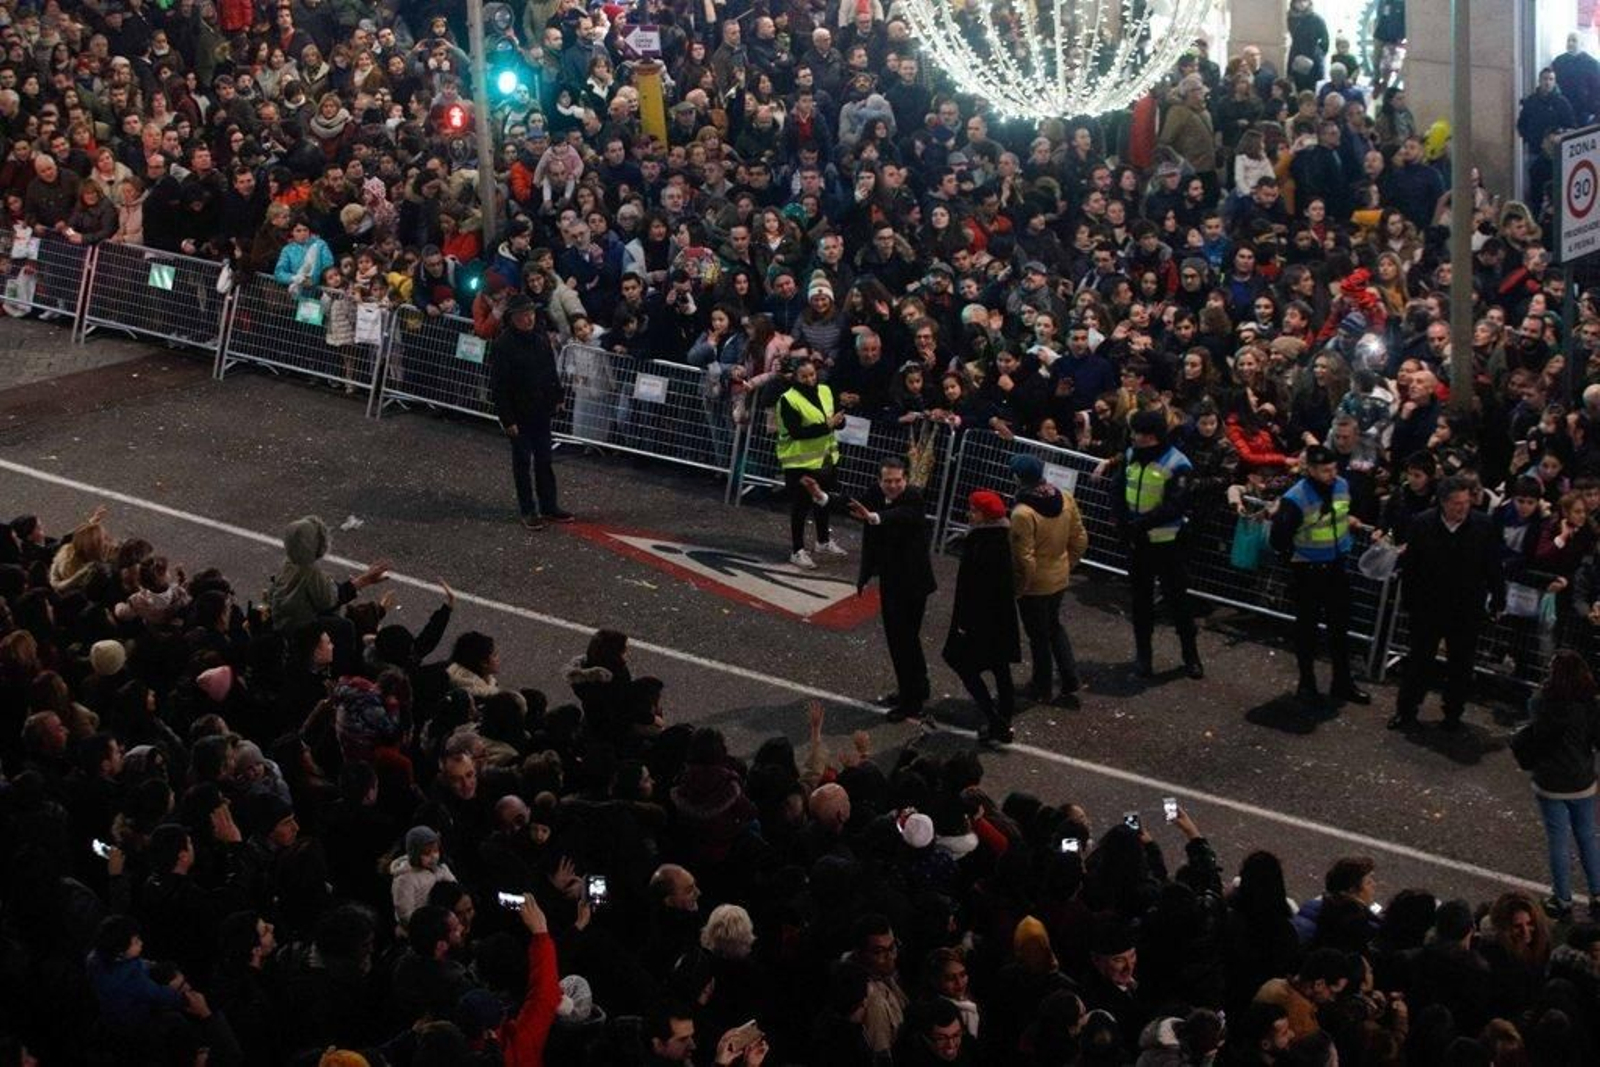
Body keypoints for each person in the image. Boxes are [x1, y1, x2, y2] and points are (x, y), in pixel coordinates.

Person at [1390, 475, 1505, 732]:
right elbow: (1411, 567)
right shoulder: (1422, 524)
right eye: (1456, 503)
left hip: (1465, 609)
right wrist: (1409, 602)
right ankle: (1406, 710)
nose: (1462, 508)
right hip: (1428, 606)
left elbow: (1493, 565)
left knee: (1460, 665)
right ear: (1443, 503)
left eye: (1466, 502)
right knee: (1419, 661)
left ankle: (1453, 714)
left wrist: (1498, 597)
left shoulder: (1483, 526)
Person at [1269, 445, 1372, 707]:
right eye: (1325, 470)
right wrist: (1296, 561)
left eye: (1333, 468)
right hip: (1309, 570)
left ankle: (1342, 683)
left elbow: (1343, 514)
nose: (1331, 474)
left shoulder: (1341, 485)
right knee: (1307, 630)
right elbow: (1278, 538)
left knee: (1340, 629)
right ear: (1311, 470)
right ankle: (1307, 683)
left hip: (1337, 565)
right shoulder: (1296, 498)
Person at [1111, 409, 1204, 679]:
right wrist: (1121, 520)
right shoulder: (1131, 455)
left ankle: (1191, 656)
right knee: (1140, 603)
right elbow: (1118, 487)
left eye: (1140, 434)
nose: (1135, 438)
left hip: (1167, 544)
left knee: (1178, 602)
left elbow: (1176, 505)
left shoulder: (1178, 464)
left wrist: (1139, 524)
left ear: (1153, 437)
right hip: (1138, 543)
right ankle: (1143, 658)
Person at [1510, 649, 1600, 919]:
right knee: (1586, 835)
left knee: (1558, 840)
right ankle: (1597, 894)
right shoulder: (1591, 705)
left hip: (1550, 782)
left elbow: (1536, 730)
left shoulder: (1541, 701)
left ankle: (1562, 900)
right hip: (1581, 780)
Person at [849, 456, 937, 723]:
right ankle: (914, 690)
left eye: (897, 480)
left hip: (911, 584)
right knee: (902, 641)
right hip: (892, 580)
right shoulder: (876, 493)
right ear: (880, 480)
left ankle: (912, 701)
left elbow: (901, 516)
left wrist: (874, 517)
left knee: (904, 642)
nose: (893, 486)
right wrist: (822, 498)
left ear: (906, 479)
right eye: (888, 481)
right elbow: (851, 502)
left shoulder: (913, 498)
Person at [1008, 454, 1089, 705]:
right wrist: (1067, 564)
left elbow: (1025, 558)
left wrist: (1021, 587)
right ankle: (1069, 677)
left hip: (1036, 584)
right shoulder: (1064, 497)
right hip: (1059, 575)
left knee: (1038, 636)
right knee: (1054, 627)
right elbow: (1079, 538)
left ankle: (1041, 686)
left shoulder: (1022, 512)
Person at [942, 490, 1021, 746]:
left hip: (980, 623)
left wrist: (965, 624)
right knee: (1001, 669)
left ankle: (996, 720)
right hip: (1000, 621)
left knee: (960, 661)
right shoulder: (998, 540)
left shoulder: (982, 545)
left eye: (974, 510)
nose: (969, 514)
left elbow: (974, 590)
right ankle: (1003, 717)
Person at [489, 294, 573, 529]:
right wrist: (507, 419)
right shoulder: (503, 345)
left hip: (540, 409)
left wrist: (557, 395)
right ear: (513, 318)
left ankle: (549, 505)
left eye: (531, 314)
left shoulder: (540, 338)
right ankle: (528, 509)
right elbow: (499, 386)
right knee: (523, 462)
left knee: (544, 459)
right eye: (524, 315)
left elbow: (549, 369)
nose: (529, 318)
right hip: (519, 413)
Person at [776, 357, 849, 569]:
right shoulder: (788, 399)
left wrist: (839, 422)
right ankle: (797, 550)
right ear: (796, 377)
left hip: (825, 459)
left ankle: (823, 541)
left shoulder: (825, 390)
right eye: (804, 376)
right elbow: (797, 432)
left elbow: (834, 418)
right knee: (800, 508)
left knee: (823, 502)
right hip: (799, 462)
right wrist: (828, 426)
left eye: (812, 375)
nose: (810, 380)